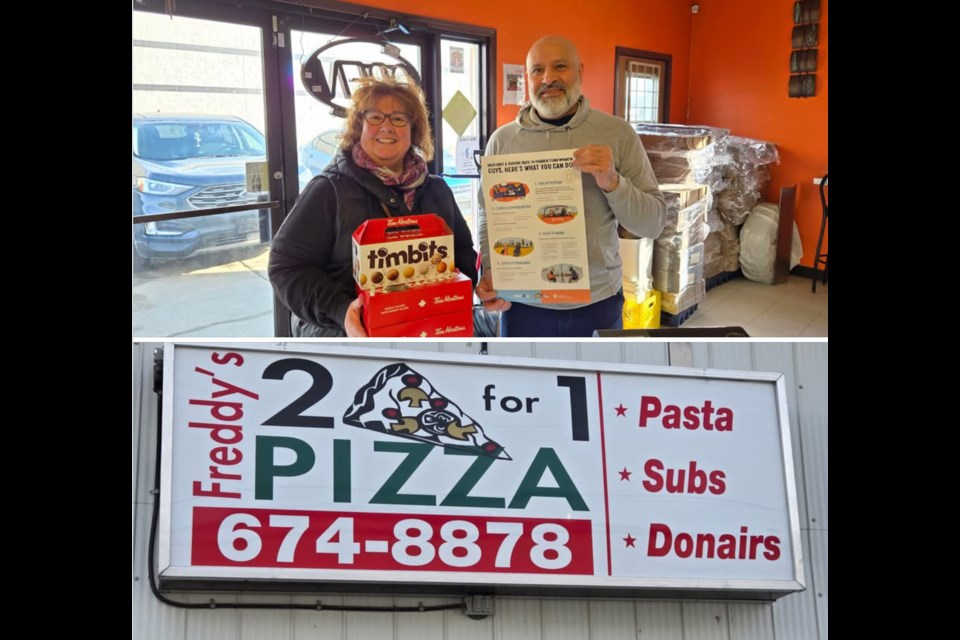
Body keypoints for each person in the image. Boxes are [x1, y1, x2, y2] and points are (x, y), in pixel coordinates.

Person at [476, 35, 666, 337]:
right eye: (537, 70)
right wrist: (490, 267)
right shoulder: (502, 140)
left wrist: (613, 183)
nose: (548, 78)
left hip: (597, 302)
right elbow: (488, 215)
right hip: (522, 305)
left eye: (559, 66)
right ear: (528, 79)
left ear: (580, 72)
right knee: (522, 385)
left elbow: (653, 224)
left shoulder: (616, 133)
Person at [268, 76, 479, 337]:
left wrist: (455, 295)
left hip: (430, 332)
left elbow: (464, 253)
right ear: (359, 126)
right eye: (375, 117)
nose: (387, 127)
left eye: (399, 118)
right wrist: (341, 310)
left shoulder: (438, 190)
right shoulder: (329, 190)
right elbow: (287, 267)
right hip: (346, 342)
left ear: (414, 129)